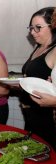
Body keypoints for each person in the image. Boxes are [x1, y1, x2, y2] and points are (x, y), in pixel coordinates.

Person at [19, 7, 56, 151]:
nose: (33, 32)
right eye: (31, 28)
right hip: (31, 115)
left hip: (46, 117)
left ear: (53, 27)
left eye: (38, 28)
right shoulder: (38, 47)